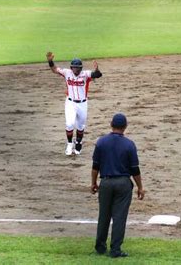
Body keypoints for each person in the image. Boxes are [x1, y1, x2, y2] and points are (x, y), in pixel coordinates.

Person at [91, 113, 145, 258]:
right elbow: (135, 169)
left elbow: (95, 166)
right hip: (123, 184)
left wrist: (93, 183)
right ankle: (115, 249)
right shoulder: (129, 144)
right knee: (119, 217)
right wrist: (140, 187)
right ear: (125, 127)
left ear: (111, 124)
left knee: (104, 215)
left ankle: (100, 246)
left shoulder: (101, 142)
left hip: (106, 182)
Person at [46, 52, 102, 156]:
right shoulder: (66, 72)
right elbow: (54, 69)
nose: (77, 69)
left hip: (82, 104)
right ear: (71, 67)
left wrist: (97, 69)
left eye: (78, 68)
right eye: (75, 67)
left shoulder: (85, 74)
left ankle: (79, 142)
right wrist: (50, 61)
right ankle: (69, 144)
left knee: (80, 126)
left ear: (81, 68)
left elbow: (97, 75)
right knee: (69, 124)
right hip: (70, 103)